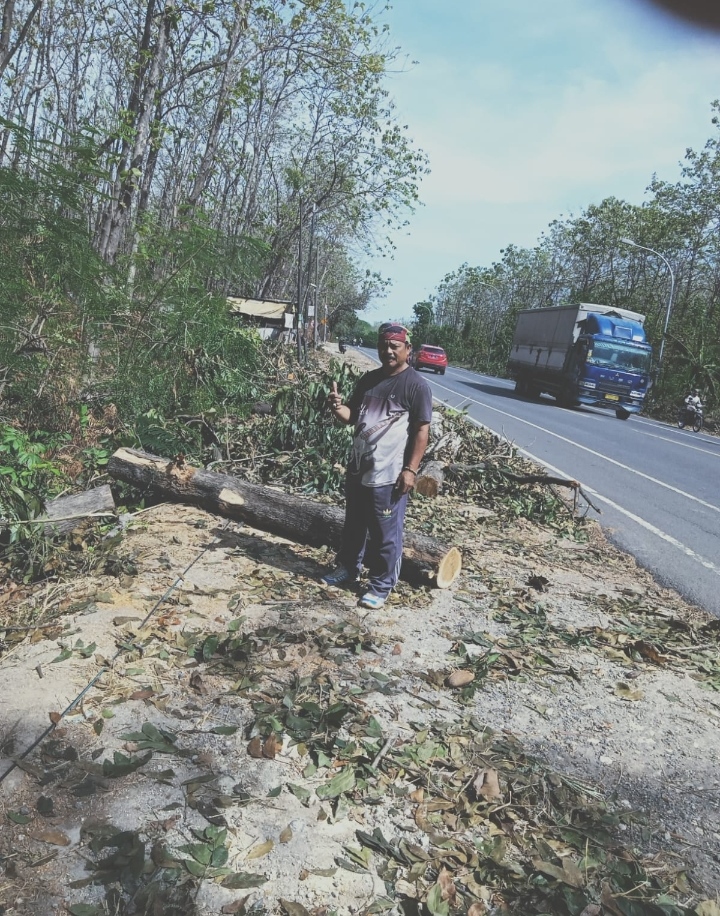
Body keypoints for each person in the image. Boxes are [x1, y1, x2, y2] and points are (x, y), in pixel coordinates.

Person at [321, 323, 433, 609]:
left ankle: (381, 584)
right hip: (359, 468)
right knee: (354, 525)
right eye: (384, 345)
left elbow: (422, 430)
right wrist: (337, 407)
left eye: (394, 346)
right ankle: (348, 568)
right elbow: (352, 418)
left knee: (386, 533)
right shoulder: (369, 380)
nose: (388, 351)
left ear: (408, 349)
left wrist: (411, 470)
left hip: (389, 474)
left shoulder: (416, 386)